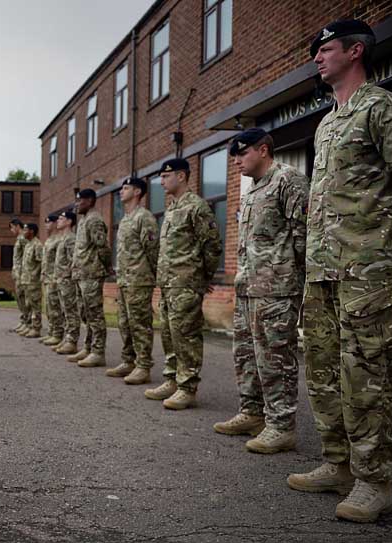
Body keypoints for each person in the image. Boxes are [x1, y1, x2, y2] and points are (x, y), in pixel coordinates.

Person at [287, 20, 392, 523]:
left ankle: (373, 481)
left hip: (370, 269)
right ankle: (338, 464)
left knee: (365, 378)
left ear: (355, 51)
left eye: (326, 49)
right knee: (323, 374)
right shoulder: (327, 122)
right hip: (323, 270)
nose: (317, 57)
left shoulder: (385, 109)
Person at [213, 129, 309, 454]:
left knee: (275, 357)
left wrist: (293, 280)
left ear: (263, 149)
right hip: (248, 287)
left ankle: (281, 426)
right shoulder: (252, 191)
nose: (236, 161)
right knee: (246, 356)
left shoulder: (288, 180)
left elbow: (303, 236)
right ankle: (252, 413)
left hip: (277, 289)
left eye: (241, 154)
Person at [144, 158, 221, 410]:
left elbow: (212, 245)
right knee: (169, 332)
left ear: (181, 176)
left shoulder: (196, 206)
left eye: (166, 177)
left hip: (186, 282)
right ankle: (172, 379)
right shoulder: (172, 207)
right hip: (168, 283)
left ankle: (187, 387)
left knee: (185, 334)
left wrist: (202, 278)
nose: (162, 181)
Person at [107, 177, 158, 385]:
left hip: (140, 280)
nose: (121, 191)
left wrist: (154, 276)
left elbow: (153, 251)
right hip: (124, 280)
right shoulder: (126, 219)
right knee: (124, 323)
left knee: (140, 324)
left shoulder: (144, 218)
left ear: (137, 192)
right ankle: (129, 360)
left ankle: (143, 366)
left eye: (126, 188)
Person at [69, 188, 112, 367]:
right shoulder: (83, 221)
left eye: (80, 200)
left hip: (92, 274)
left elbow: (103, 247)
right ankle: (88, 347)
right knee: (84, 313)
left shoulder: (94, 220)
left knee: (94, 314)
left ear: (91, 201)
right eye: (76, 201)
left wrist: (107, 266)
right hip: (81, 274)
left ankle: (98, 352)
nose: (77, 204)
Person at [53, 210, 80, 355]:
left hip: (67, 280)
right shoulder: (63, 238)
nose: (58, 221)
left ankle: (72, 341)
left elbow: (73, 261)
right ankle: (67, 337)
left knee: (71, 311)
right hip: (61, 279)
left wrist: (68, 277)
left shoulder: (71, 239)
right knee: (64, 310)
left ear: (69, 221)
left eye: (61, 218)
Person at [40, 214, 63, 346]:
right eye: (45, 222)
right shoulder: (49, 240)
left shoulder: (59, 240)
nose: (46, 225)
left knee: (56, 307)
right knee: (49, 307)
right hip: (47, 278)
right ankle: (51, 331)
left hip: (55, 278)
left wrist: (56, 277)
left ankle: (58, 334)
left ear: (55, 224)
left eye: (49, 222)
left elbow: (60, 261)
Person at [19, 223, 43, 338]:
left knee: (35, 305)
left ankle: (36, 328)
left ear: (32, 231)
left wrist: (35, 276)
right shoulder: (28, 245)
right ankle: (29, 326)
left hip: (33, 281)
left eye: (25, 229)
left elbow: (40, 262)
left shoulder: (37, 245)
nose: (23, 231)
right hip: (26, 280)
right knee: (28, 304)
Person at [9, 218, 28, 333]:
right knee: (20, 298)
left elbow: (27, 256)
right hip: (18, 273)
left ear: (17, 226)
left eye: (12, 227)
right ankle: (24, 320)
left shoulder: (23, 239)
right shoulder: (19, 239)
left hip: (23, 273)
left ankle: (27, 321)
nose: (11, 230)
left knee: (24, 298)